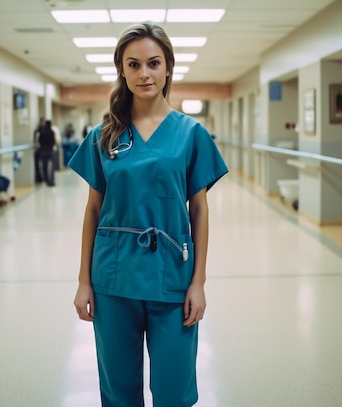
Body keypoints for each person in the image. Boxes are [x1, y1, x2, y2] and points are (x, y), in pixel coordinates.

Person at [68, 22, 228, 406]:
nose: (144, 73)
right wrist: (83, 281)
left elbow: (200, 211)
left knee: (174, 390)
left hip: (172, 276)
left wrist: (199, 282)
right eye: (134, 64)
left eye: (153, 63)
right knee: (119, 391)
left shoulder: (191, 134)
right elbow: (92, 210)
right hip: (113, 277)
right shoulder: (103, 135)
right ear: (122, 70)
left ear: (168, 67)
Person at [34, 118, 57, 186]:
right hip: (50, 150)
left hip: (43, 151)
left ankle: (47, 180)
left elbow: (38, 141)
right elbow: (54, 141)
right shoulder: (52, 132)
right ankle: (51, 180)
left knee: (44, 166)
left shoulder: (41, 132)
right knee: (52, 167)